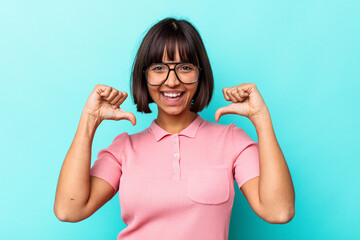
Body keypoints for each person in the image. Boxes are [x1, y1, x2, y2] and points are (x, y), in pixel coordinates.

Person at [54, 18, 295, 239]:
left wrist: (262, 120)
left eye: (185, 67)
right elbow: (69, 209)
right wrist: (89, 120)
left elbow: (279, 212)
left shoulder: (232, 140)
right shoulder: (124, 149)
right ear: (144, 76)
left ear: (200, 75)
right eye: (159, 68)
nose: (172, 81)